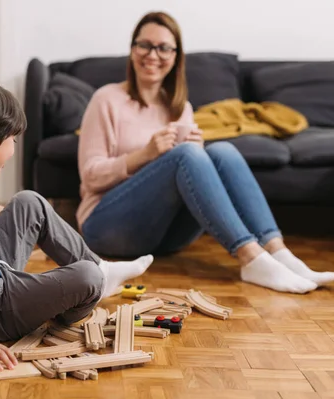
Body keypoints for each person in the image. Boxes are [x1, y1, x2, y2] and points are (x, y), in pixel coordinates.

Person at [77, 11, 334, 294]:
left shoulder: (181, 108)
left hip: (165, 238)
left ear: (176, 56)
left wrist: (198, 161)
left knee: (222, 150)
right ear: (132, 49)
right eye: (144, 45)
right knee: (187, 154)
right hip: (106, 227)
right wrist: (146, 154)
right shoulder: (106, 99)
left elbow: (189, 172)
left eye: (163, 47)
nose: (153, 54)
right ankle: (251, 258)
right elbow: (90, 177)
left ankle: (279, 252)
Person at [0, 77, 154, 374]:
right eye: (12, 140)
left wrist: (23, 221)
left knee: (28, 202)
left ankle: (103, 271)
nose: (13, 148)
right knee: (87, 278)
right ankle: (94, 284)